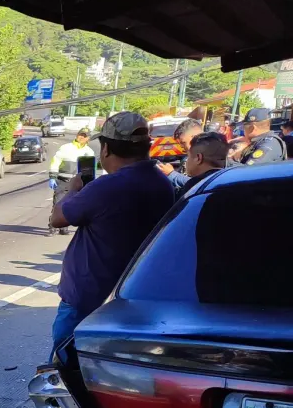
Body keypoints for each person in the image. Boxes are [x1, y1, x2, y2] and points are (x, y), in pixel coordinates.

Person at [48, 112, 175, 358]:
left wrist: (73, 190)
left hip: (88, 301)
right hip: (135, 296)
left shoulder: (106, 187)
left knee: (67, 371)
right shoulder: (161, 183)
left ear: (106, 149)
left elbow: (58, 218)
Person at [47, 128, 96, 236]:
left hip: (78, 183)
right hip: (63, 181)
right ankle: (53, 228)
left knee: (71, 205)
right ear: (77, 135)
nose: (81, 137)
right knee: (58, 204)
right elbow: (55, 162)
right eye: (80, 134)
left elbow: (90, 170)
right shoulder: (65, 148)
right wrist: (52, 177)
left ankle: (64, 228)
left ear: (88, 138)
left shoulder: (89, 152)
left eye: (84, 135)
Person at [155, 117, 204, 191]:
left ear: (195, 138)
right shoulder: (188, 158)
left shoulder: (210, 157)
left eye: (183, 143)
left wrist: (171, 174)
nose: (182, 147)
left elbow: (200, 184)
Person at [175, 132, 227, 198]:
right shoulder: (233, 179)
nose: (186, 161)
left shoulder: (194, 187)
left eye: (188, 156)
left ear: (198, 158)